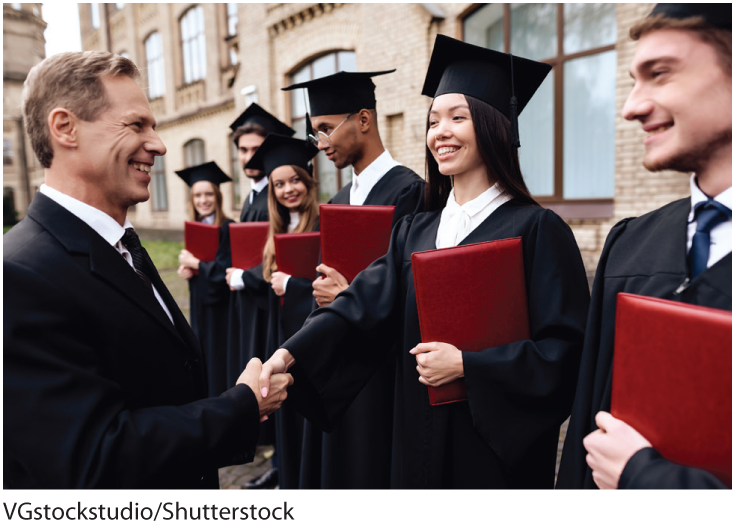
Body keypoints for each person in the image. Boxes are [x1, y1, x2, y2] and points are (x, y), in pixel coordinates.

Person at [261, 35, 590, 488]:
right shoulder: (415, 231)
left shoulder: (537, 230)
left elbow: (566, 353)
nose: (441, 131)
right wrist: (288, 354)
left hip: (491, 456)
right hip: (415, 437)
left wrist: (469, 367)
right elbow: (357, 308)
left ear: (497, 125)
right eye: (434, 120)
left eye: (458, 117)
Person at [3, 51, 292, 489]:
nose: (158, 144)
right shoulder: (20, 276)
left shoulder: (120, 243)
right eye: (136, 125)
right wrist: (241, 407)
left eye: (153, 126)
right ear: (65, 128)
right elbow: (94, 458)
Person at [556, 3, 731, 490]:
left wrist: (642, 479)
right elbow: (585, 436)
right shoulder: (632, 243)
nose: (631, 106)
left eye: (660, 74)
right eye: (634, 80)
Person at [281, 69, 425, 488]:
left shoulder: (410, 192)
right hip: (336, 361)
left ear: (363, 120)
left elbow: (413, 290)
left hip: (381, 367)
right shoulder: (339, 200)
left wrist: (350, 297)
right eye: (314, 134)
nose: (320, 144)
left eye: (326, 129)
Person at [223, 105, 295, 489]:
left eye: (255, 150)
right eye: (243, 150)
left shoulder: (275, 195)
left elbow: (276, 255)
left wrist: (244, 277)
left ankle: (281, 463)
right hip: (251, 302)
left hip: (271, 301)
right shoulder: (253, 197)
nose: (249, 158)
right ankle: (275, 457)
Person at [243, 133, 321, 489]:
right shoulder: (275, 230)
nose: (288, 189)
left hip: (310, 332)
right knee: (282, 409)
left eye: (294, 181)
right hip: (281, 329)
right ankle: (284, 473)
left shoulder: (323, 223)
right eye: (278, 184)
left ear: (307, 181)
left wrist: (292, 286)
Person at [176, 161, 234, 397]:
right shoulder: (195, 227)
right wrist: (188, 272)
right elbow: (199, 265)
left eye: (209, 194)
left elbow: (225, 269)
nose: (203, 200)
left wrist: (196, 264)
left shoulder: (229, 227)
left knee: (219, 353)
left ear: (218, 196)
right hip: (200, 303)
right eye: (198, 195)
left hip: (223, 307)